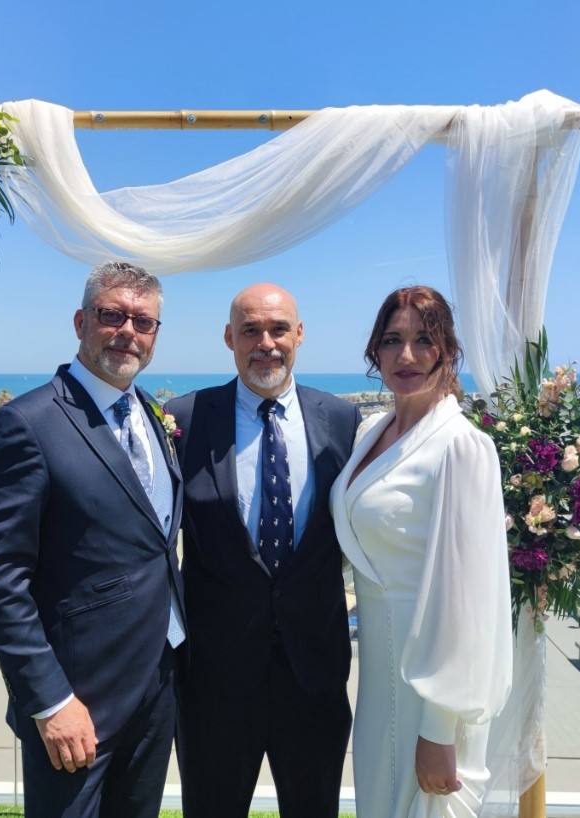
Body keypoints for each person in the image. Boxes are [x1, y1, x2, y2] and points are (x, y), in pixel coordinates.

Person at [0, 262, 186, 818]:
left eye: (144, 321)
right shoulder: (28, 423)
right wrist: (50, 700)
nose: (127, 332)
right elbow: (0, 578)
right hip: (77, 699)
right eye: (111, 315)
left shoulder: (149, 414)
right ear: (80, 321)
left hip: (156, 682)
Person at [166, 283, 359, 818]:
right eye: (250, 330)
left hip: (314, 674)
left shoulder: (342, 420)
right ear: (229, 337)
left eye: (278, 329)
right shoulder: (184, 418)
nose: (265, 343)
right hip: (214, 681)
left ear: (299, 334)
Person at [329, 286, 512, 816]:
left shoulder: (462, 447)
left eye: (424, 340)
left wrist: (439, 728)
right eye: (392, 340)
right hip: (379, 682)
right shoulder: (372, 432)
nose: (406, 356)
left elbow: (468, 600)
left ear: (448, 351)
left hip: (431, 688)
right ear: (375, 353)